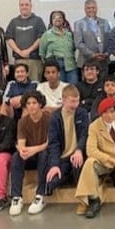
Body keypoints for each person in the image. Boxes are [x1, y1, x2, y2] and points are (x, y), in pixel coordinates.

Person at [46, 85, 89, 214]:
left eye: (77, 101)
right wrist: (54, 165)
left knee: (77, 164)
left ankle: (84, 199)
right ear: (63, 100)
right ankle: (69, 175)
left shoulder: (82, 113)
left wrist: (79, 150)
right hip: (62, 157)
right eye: (72, 101)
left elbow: (84, 135)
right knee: (52, 183)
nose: (75, 104)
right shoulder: (55, 117)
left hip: (77, 154)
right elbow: (53, 143)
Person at [9, 91, 52, 216]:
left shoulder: (49, 119)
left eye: (34, 103)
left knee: (44, 154)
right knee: (17, 156)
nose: (31, 106)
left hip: (44, 153)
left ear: (40, 104)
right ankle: (16, 197)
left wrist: (33, 149)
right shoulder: (22, 121)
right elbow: (21, 142)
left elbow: (49, 143)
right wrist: (22, 150)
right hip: (30, 155)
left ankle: (40, 195)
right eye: (28, 103)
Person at [6, 0, 47, 83]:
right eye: (22, 5)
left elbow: (41, 38)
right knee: (20, 86)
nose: (24, 7)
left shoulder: (38, 20)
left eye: (26, 5)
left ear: (31, 6)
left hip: (34, 61)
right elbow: (9, 38)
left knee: (35, 86)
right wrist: (19, 51)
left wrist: (28, 51)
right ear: (19, 6)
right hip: (19, 60)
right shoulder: (14, 22)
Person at [74, 0, 112, 79]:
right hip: (87, 62)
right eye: (88, 8)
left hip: (103, 61)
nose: (91, 10)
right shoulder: (78, 24)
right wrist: (93, 55)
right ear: (85, 9)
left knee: (103, 87)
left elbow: (110, 40)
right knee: (87, 88)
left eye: (93, 8)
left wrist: (107, 53)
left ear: (97, 9)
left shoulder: (105, 22)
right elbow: (78, 43)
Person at [39, 10, 78, 84]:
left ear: (63, 20)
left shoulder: (69, 34)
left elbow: (74, 48)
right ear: (51, 21)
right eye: (54, 18)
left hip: (71, 65)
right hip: (56, 65)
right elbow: (42, 53)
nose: (57, 19)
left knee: (73, 87)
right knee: (59, 88)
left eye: (60, 17)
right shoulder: (47, 34)